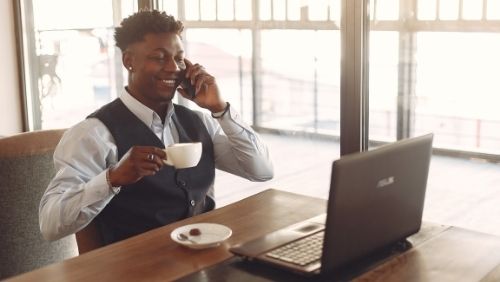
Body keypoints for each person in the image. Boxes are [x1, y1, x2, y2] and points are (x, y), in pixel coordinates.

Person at [39, 10, 273, 246]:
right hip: (138, 268)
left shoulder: (200, 122)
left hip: (207, 257)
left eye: (179, 58)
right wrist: (112, 179)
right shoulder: (93, 134)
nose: (174, 68)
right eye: (160, 57)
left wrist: (220, 109)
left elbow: (261, 171)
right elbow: (49, 224)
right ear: (129, 61)